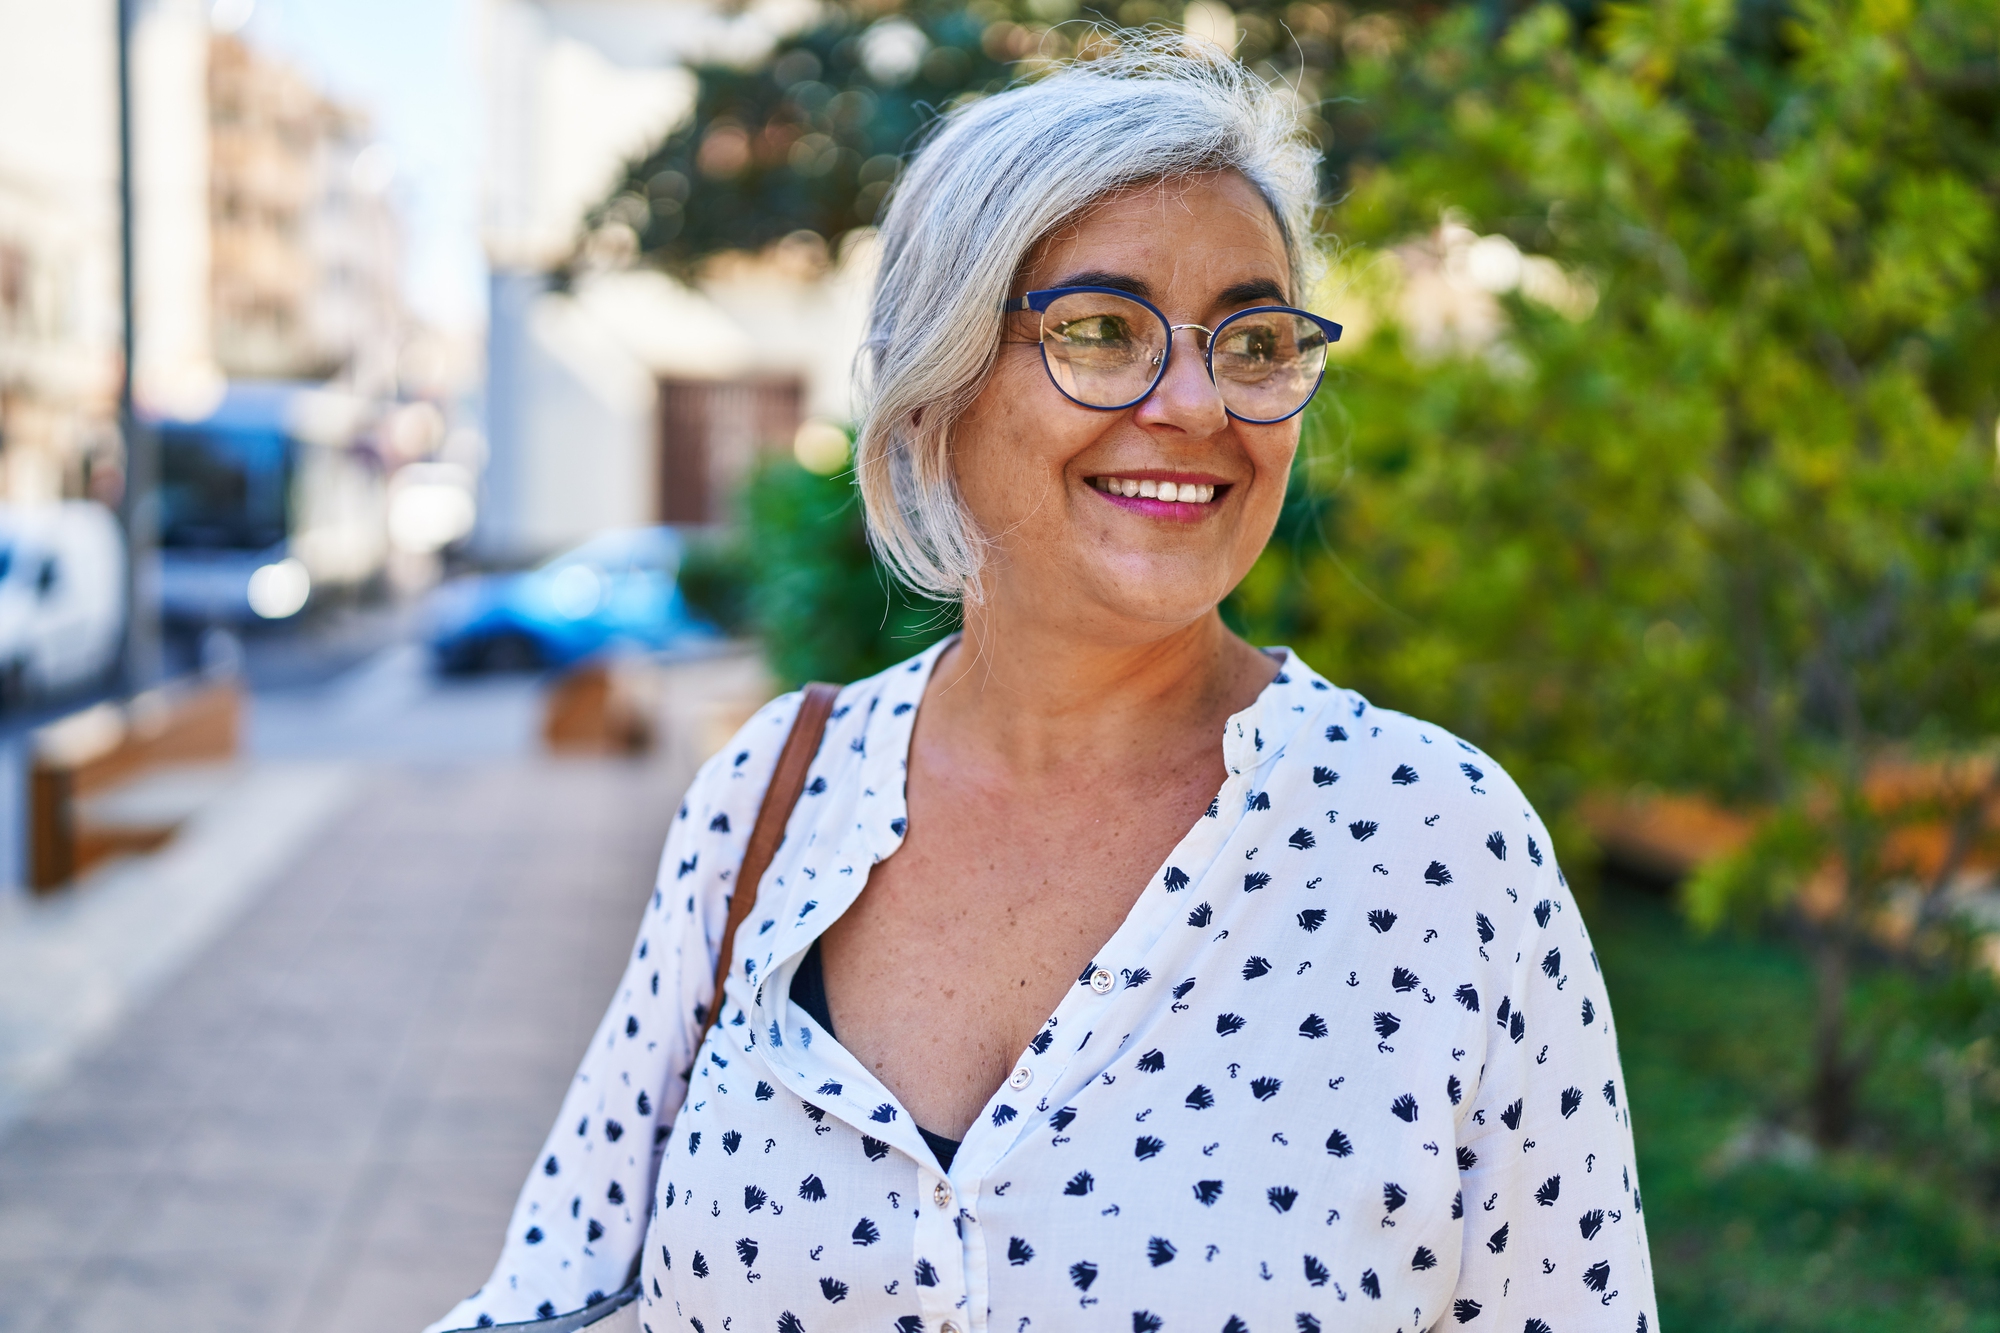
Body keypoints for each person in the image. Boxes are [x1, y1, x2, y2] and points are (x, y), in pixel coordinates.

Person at [429, 36, 1657, 1333]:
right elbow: (546, 1295)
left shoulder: (1443, 849)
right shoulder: (772, 798)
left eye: (1251, 341)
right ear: (937, 392)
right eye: (1100, 329)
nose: (1194, 403)